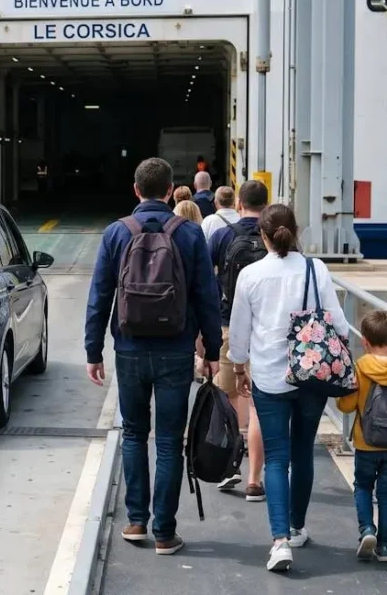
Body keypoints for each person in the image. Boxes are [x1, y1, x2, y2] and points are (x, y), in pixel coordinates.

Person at [85, 157, 222, 557]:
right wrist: (212, 350)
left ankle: (135, 522)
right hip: (176, 350)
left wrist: (94, 351)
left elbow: (99, 297)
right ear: (169, 191)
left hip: (128, 349)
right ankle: (164, 532)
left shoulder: (116, 233)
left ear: (135, 190)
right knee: (167, 441)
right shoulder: (190, 234)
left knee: (132, 434)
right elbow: (207, 299)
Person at [226, 203, 350, 573]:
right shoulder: (317, 269)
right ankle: (296, 528)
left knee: (276, 458)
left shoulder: (251, 275)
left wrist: (239, 364)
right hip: (311, 377)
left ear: (262, 235)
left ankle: (279, 541)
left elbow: (239, 333)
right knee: (302, 452)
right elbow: (340, 325)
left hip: (269, 377)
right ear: (296, 232)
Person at [336, 310, 387, 563]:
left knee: (362, 487)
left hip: (366, 443)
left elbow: (346, 406)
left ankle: (367, 530)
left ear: (365, 341)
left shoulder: (360, 367)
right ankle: (384, 547)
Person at [206, 180, 268, 501]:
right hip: (268, 332)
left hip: (230, 324)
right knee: (258, 406)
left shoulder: (222, 235)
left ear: (240, 203)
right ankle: (255, 480)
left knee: (228, 395)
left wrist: (205, 329)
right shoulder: (275, 235)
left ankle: (231, 465)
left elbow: (205, 279)